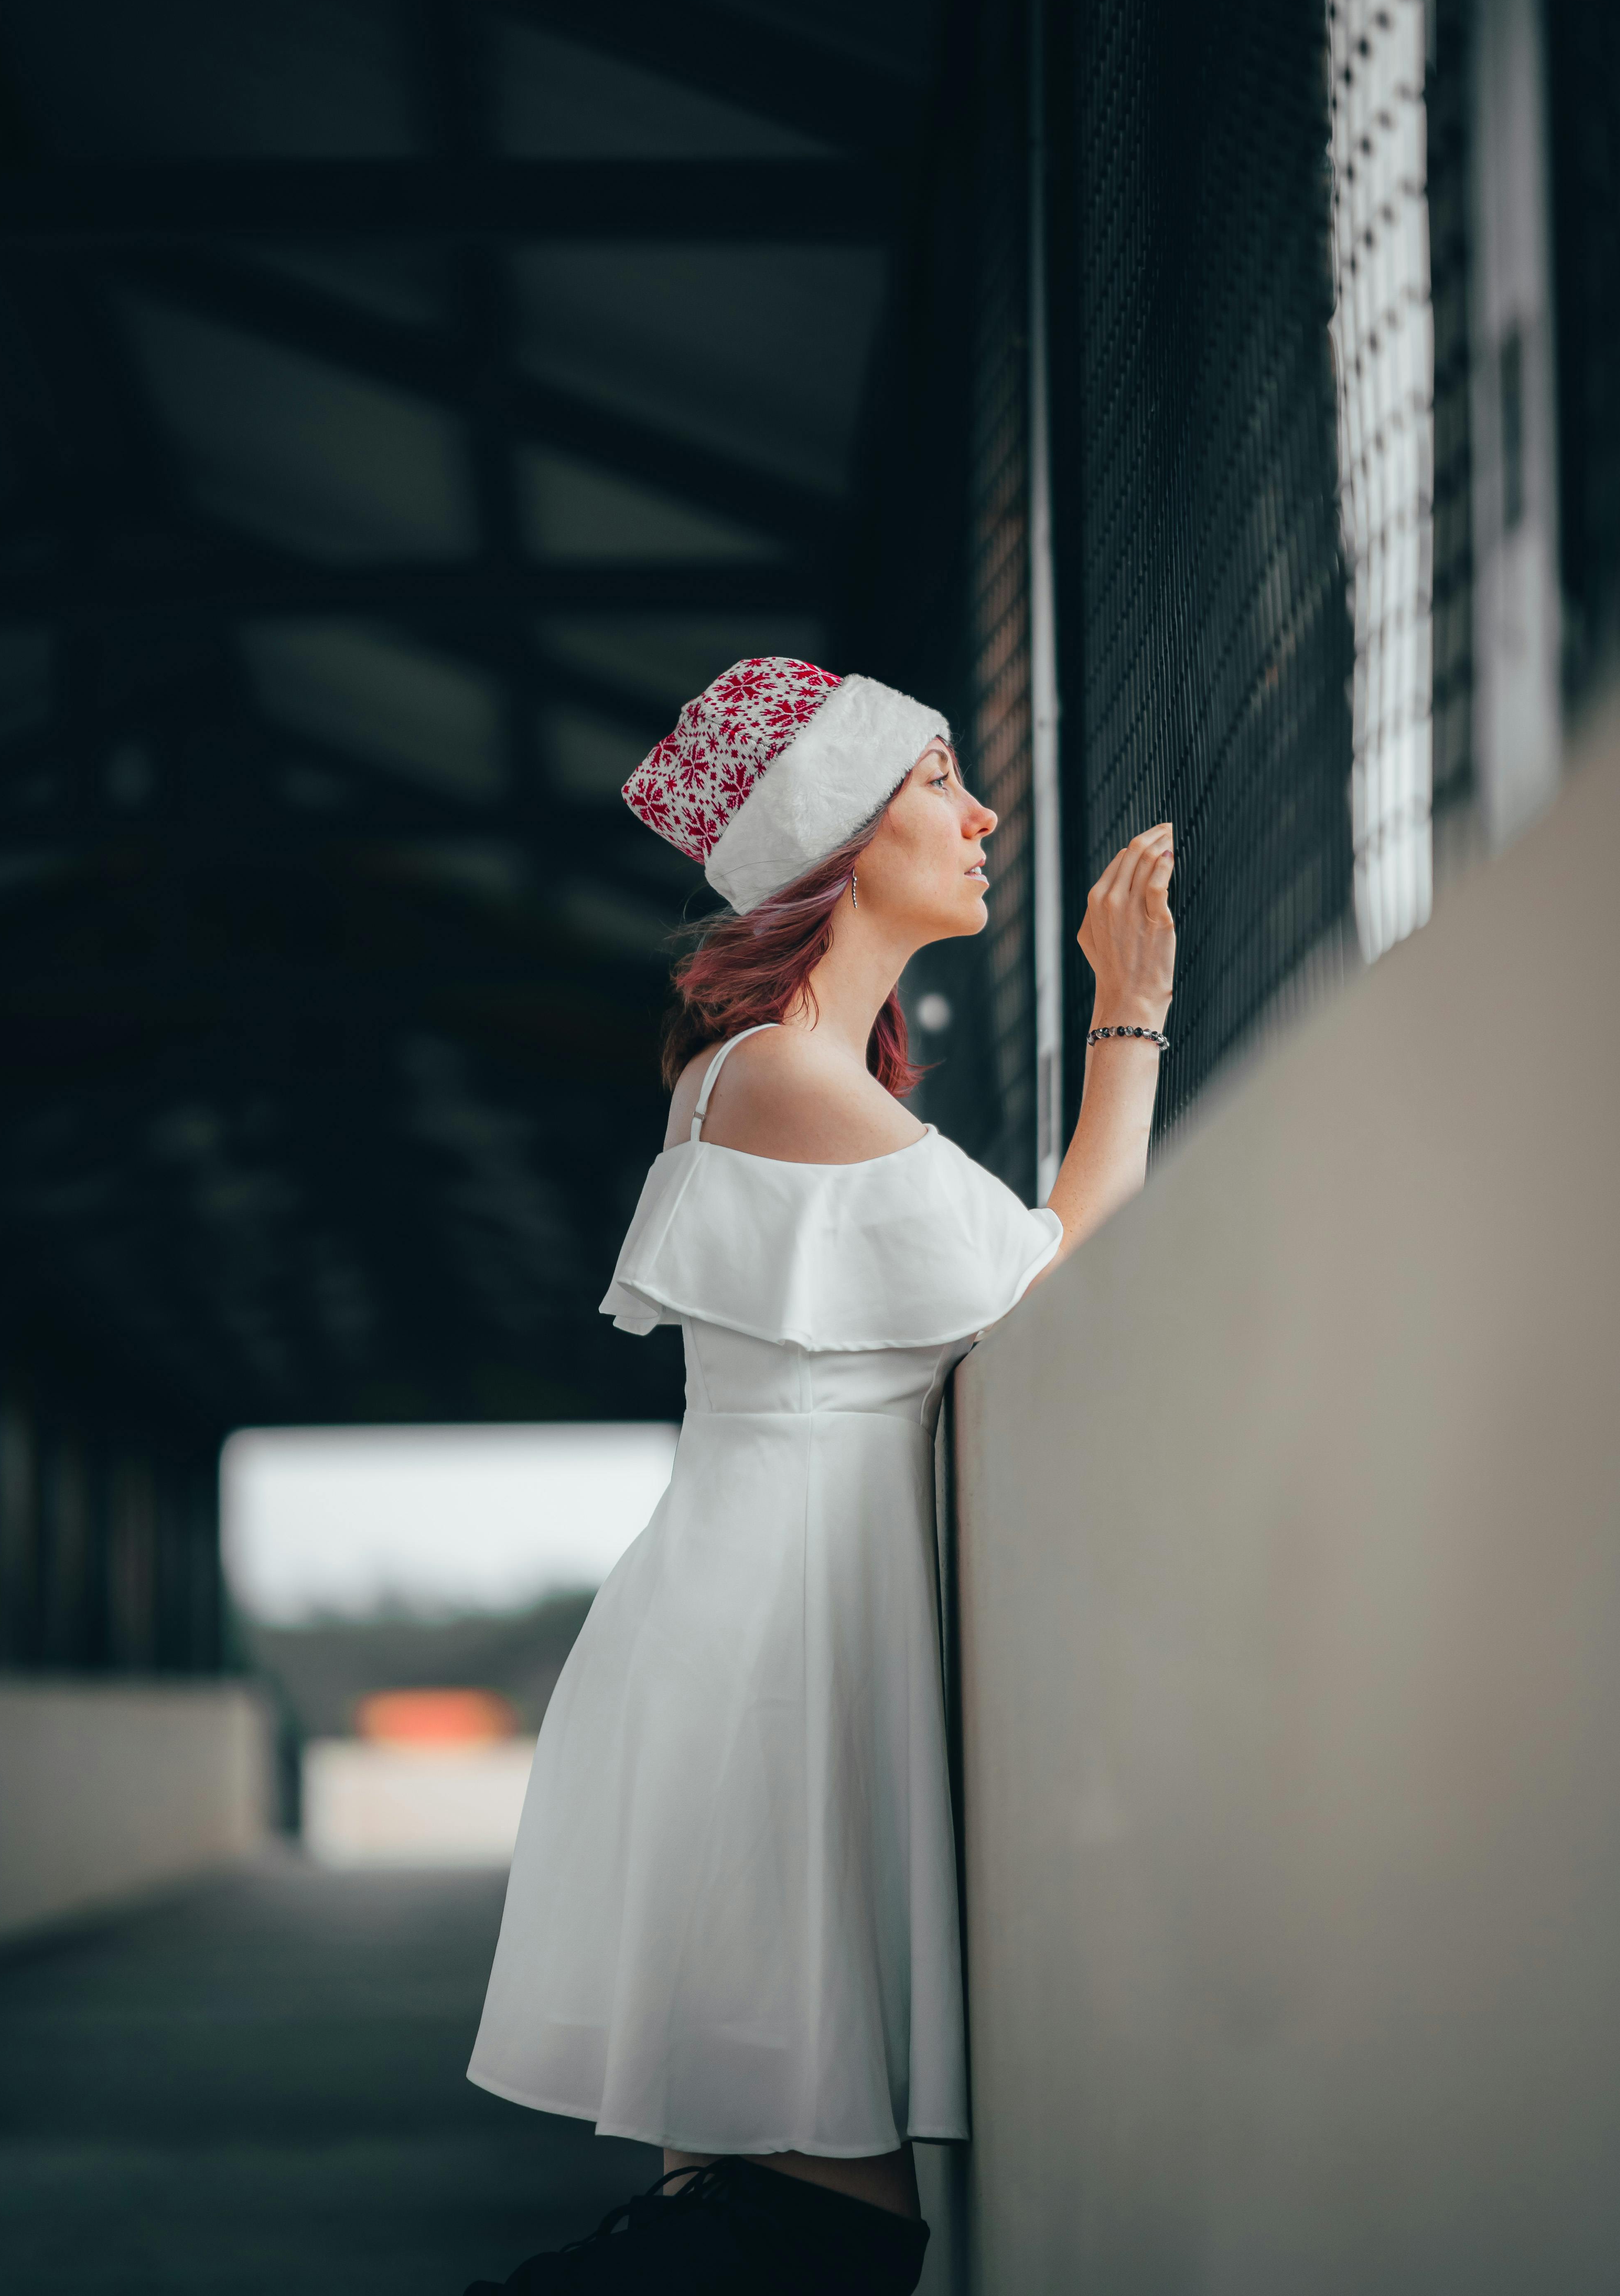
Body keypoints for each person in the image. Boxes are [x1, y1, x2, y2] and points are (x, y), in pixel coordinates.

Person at [463, 658, 1176, 2294]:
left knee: (779, 2206)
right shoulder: (781, 1076)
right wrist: (1128, 1010)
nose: (984, 808)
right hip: (766, 1671)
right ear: (837, 834)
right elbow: (1053, 1272)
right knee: (818, 2224)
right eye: (936, 776)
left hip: (778, 1646)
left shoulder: (797, 1080)